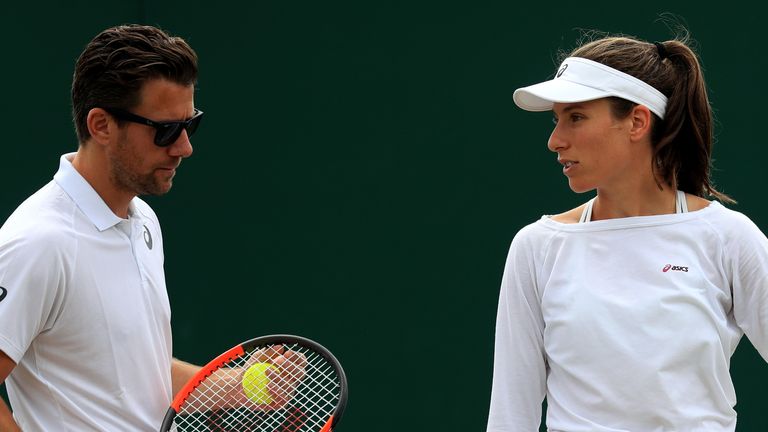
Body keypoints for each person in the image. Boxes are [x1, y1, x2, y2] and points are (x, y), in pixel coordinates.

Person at [486, 31, 768, 431]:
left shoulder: (728, 238)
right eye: (556, 120)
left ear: (637, 121)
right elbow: (511, 416)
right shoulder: (537, 247)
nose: (555, 140)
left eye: (576, 117)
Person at [0, 24, 207, 430]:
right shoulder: (38, 243)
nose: (184, 147)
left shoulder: (144, 219)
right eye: (166, 130)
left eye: (190, 124)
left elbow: (130, 374)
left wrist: (238, 385)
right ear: (101, 125)